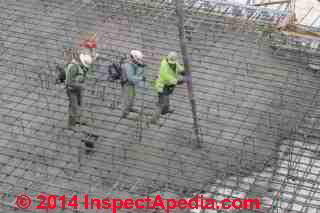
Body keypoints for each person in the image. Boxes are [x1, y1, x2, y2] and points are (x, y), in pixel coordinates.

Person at [150, 52, 185, 124]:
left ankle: (165, 110)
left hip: (168, 86)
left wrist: (183, 71)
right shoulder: (164, 65)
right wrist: (177, 81)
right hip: (162, 86)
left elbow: (178, 67)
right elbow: (166, 76)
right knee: (161, 102)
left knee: (167, 97)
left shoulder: (174, 62)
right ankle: (154, 120)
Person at [65, 48, 93, 128]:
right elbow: (68, 82)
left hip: (77, 88)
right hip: (71, 89)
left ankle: (79, 119)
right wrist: (80, 85)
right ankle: (71, 125)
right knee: (73, 106)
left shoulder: (82, 66)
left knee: (80, 104)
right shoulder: (74, 67)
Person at [120, 50, 146, 118]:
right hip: (127, 83)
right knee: (127, 98)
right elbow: (130, 78)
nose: (139, 61)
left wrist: (140, 66)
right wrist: (141, 78)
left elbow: (135, 68)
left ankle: (130, 108)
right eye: (138, 59)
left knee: (132, 96)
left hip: (131, 83)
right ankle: (124, 113)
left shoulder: (131, 62)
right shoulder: (128, 65)